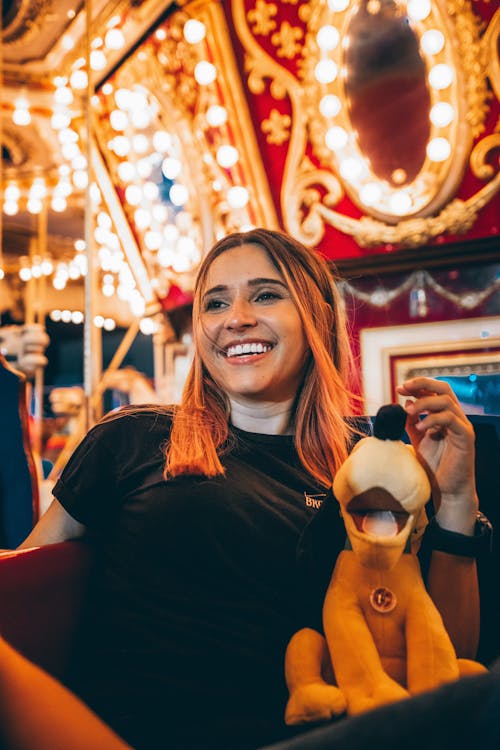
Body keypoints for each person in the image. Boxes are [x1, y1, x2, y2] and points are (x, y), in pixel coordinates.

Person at [17, 228, 488, 750]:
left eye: (265, 294)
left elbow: (441, 655)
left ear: (316, 317)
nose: (236, 317)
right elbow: (23, 593)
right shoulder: (134, 438)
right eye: (215, 303)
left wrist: (458, 499)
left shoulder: (370, 463)